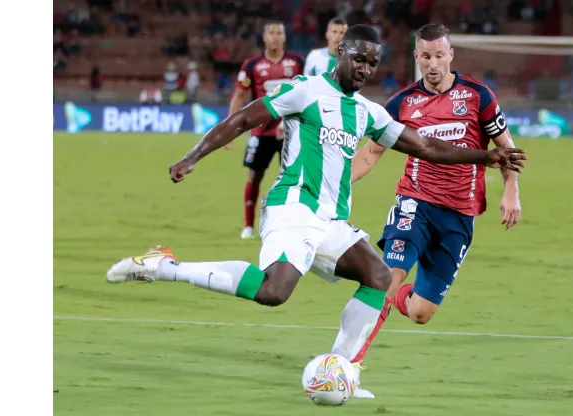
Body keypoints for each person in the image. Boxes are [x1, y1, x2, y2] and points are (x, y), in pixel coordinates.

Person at [105, 25, 526, 399]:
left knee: (378, 276)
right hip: (292, 206)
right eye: (358, 58)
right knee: (274, 291)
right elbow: (242, 120)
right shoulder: (303, 90)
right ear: (340, 51)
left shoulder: (367, 111)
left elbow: (426, 147)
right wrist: (193, 155)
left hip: (329, 221)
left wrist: (484, 157)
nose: (364, 68)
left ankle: (339, 369)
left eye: (373, 63)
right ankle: (164, 266)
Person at [348, 24, 523, 387]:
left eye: (439, 55)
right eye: (425, 56)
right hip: (414, 203)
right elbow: (370, 154)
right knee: (387, 276)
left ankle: (397, 299)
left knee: (421, 312)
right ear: (416, 57)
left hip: (459, 215)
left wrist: (511, 190)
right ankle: (350, 366)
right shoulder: (402, 103)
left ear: (451, 55)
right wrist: (332, 186)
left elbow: (507, 149)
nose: (433, 63)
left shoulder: (478, 96)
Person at [225, 21, 305, 240]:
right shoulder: (252, 65)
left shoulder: (297, 62)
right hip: (260, 132)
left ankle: (288, 225)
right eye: (271, 32)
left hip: (290, 131)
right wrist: (231, 130)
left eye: (280, 32)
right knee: (254, 176)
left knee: (293, 179)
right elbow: (239, 96)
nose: (276, 36)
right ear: (264, 37)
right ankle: (249, 226)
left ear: (285, 37)